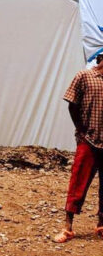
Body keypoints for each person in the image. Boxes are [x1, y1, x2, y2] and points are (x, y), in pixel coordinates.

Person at [53, 55, 103, 243]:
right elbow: (72, 104)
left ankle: (101, 224)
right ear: (101, 58)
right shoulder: (84, 76)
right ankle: (68, 227)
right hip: (88, 139)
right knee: (78, 181)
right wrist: (80, 129)